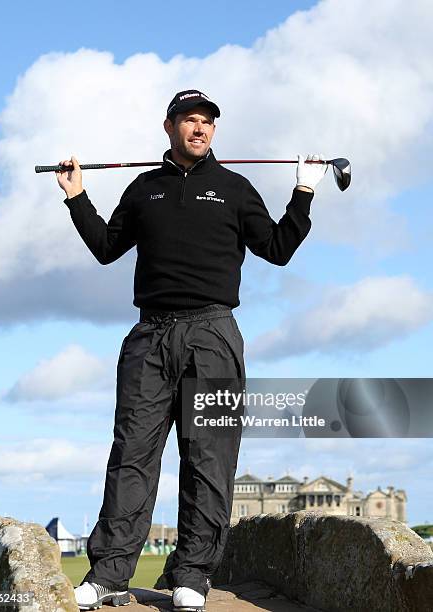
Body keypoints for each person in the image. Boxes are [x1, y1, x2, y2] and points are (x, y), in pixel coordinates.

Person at [56, 89, 327, 612]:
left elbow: (278, 249)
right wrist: (76, 197)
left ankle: (192, 574)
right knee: (131, 455)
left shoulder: (234, 189)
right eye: (190, 120)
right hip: (149, 336)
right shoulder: (144, 189)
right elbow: (107, 248)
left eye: (207, 122)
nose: (199, 129)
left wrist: (303, 191)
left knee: (209, 459)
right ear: (170, 126)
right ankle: (110, 574)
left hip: (214, 333)